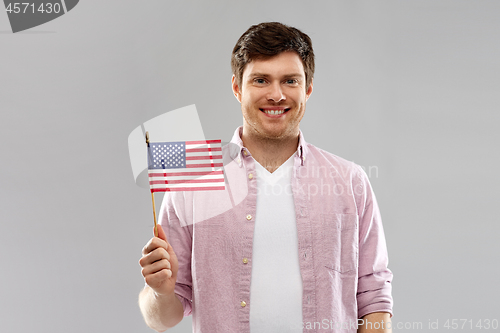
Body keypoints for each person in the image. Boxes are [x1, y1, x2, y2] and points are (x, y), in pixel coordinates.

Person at [138, 22, 393, 333]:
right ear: (237, 88)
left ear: (308, 89)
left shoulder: (349, 181)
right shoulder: (194, 183)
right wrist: (160, 292)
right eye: (260, 80)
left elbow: (374, 298)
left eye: (290, 81)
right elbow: (160, 319)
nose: (276, 95)